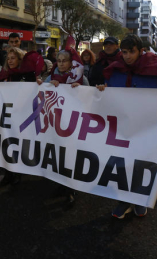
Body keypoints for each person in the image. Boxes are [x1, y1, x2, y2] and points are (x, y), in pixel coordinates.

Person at [98, 34, 157, 219]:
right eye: (124, 52)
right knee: (122, 164)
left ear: (140, 51)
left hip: (145, 129)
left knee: (141, 163)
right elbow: (110, 97)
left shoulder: (153, 71)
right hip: (122, 129)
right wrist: (101, 90)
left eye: (131, 51)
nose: (128, 56)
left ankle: (139, 200)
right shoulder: (116, 70)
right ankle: (123, 201)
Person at [0, 47, 43, 185]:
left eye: (13, 58)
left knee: (19, 144)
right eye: (8, 58)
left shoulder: (29, 74)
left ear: (20, 59)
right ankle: (8, 173)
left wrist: (40, 84)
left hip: (22, 115)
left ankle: (18, 174)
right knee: (6, 143)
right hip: (7, 115)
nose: (10, 60)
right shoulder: (4, 74)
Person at [44, 48, 89, 208]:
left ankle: (71, 188)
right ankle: (61, 184)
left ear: (71, 62)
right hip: (56, 124)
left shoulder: (81, 78)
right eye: (59, 60)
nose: (61, 63)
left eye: (65, 60)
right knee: (58, 155)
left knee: (71, 156)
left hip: (73, 125)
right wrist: (49, 85)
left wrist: (80, 91)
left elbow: (89, 100)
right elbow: (41, 93)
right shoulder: (51, 76)